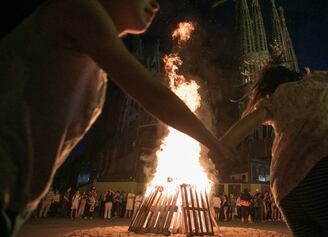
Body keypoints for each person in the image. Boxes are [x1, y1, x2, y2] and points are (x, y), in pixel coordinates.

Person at [0, 1, 233, 236]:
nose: (155, 4)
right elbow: (154, 96)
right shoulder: (79, 9)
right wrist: (214, 144)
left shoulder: (96, 51)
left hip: (14, 203)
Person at [220, 50, 328, 235]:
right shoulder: (315, 83)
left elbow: (242, 128)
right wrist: (324, 76)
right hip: (322, 170)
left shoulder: (271, 101)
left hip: (284, 187)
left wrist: (220, 146)